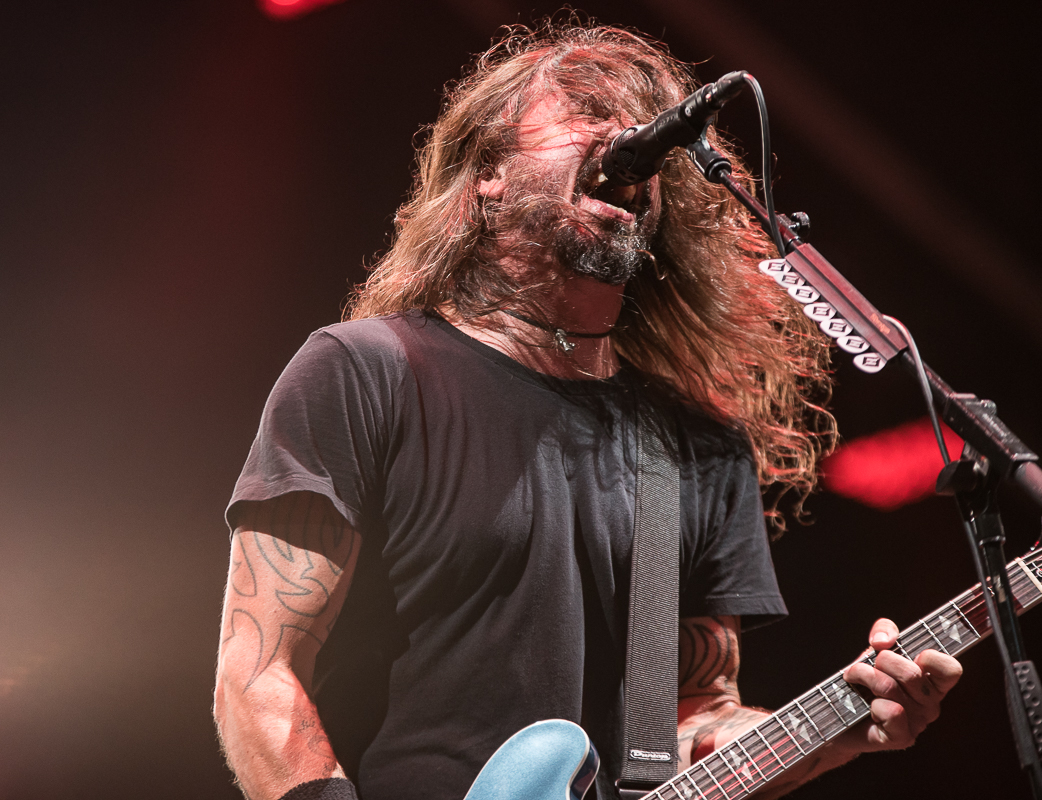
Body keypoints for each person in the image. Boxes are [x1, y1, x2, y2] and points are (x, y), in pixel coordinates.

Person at [213, 21, 962, 800]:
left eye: (641, 124)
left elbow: (698, 721)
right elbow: (258, 672)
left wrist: (844, 727)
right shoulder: (365, 373)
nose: (627, 139)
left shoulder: (694, 443)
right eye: (588, 112)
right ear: (488, 175)